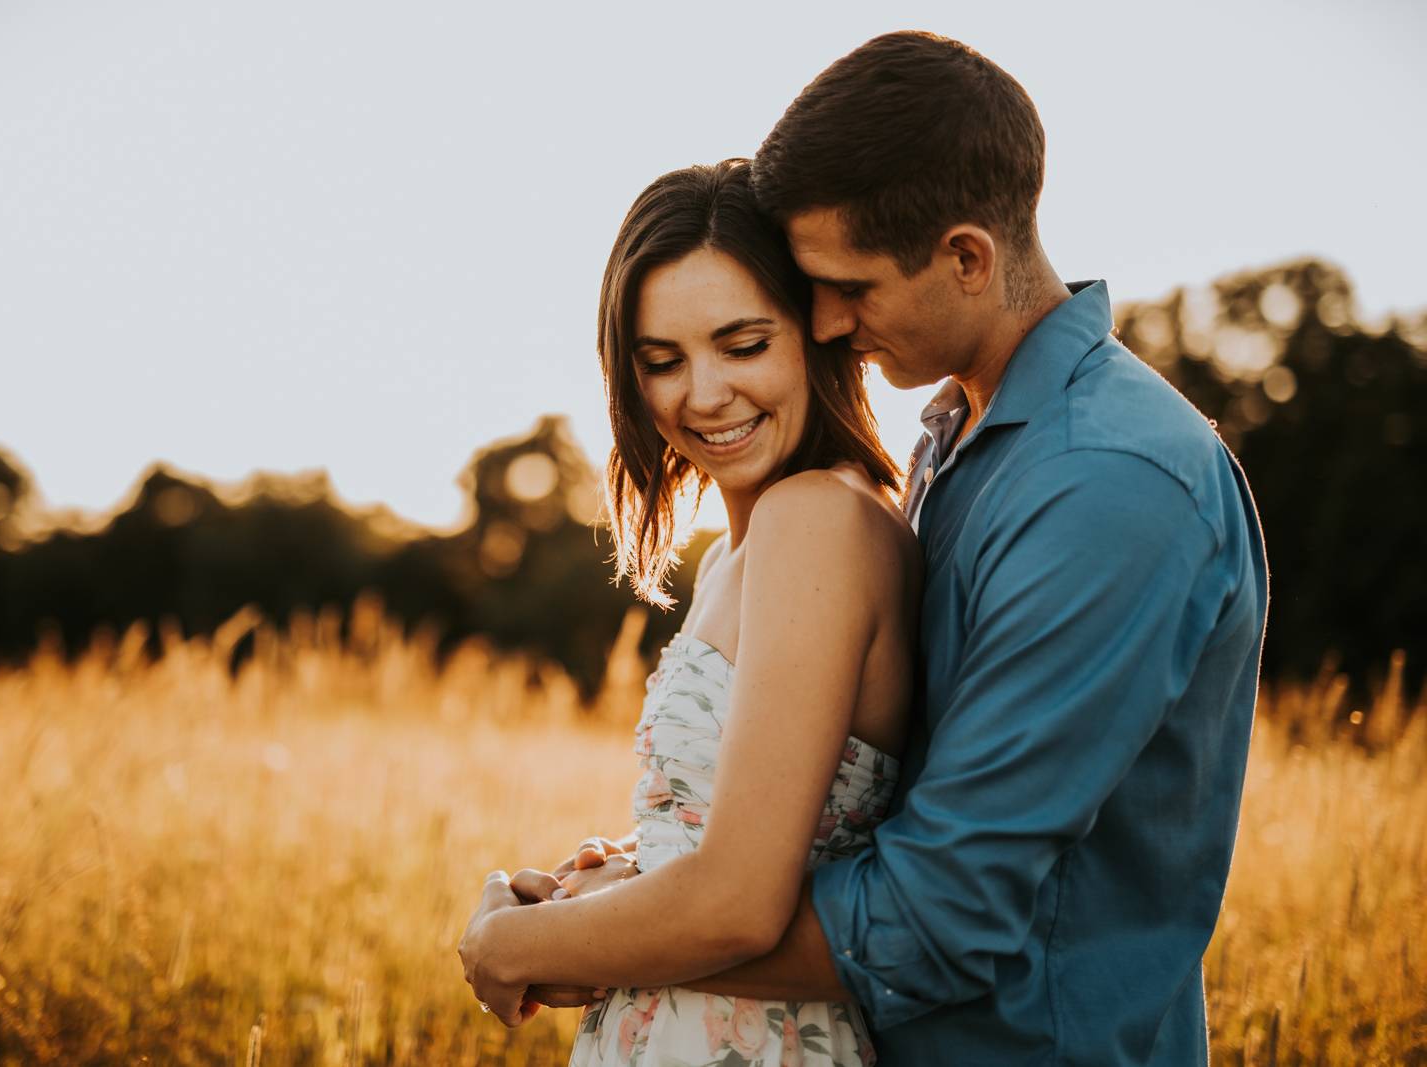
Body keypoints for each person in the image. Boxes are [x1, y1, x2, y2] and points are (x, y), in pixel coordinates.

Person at [461, 31, 1269, 1067]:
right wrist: (623, 887)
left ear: (966, 257)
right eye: (661, 358)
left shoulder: (1106, 480)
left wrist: (560, 941)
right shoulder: (960, 444)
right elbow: (856, 802)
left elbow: (937, 910)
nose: (830, 320)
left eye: (844, 288)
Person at [459, 157, 922, 1064]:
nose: (702, 395)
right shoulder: (746, 548)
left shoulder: (816, 520)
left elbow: (739, 899)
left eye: (743, 344)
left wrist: (500, 943)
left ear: (816, 331)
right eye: (661, 361)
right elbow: (737, 835)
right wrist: (591, 890)